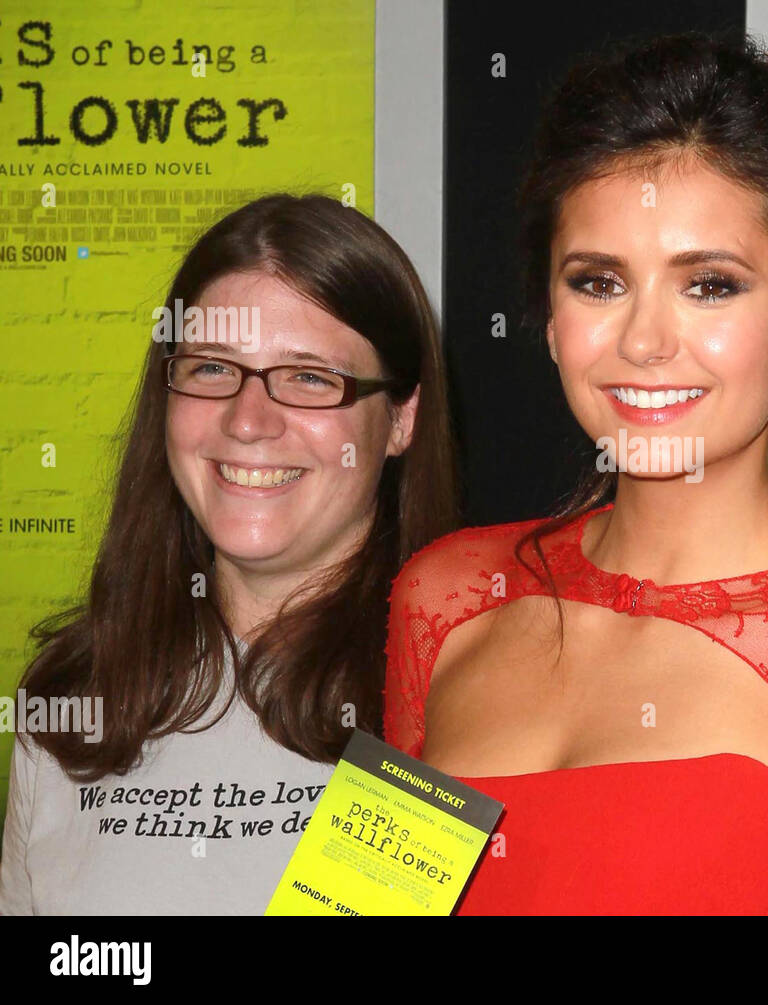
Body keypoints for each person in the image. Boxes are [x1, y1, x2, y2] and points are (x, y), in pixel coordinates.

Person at [385, 33, 768, 915]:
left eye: (709, 285)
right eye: (599, 283)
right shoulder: (445, 598)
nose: (643, 341)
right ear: (552, 319)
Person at [0, 194, 457, 914]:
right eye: (213, 368)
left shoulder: (458, 697)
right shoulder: (72, 701)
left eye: (309, 376)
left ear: (400, 419)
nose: (248, 420)